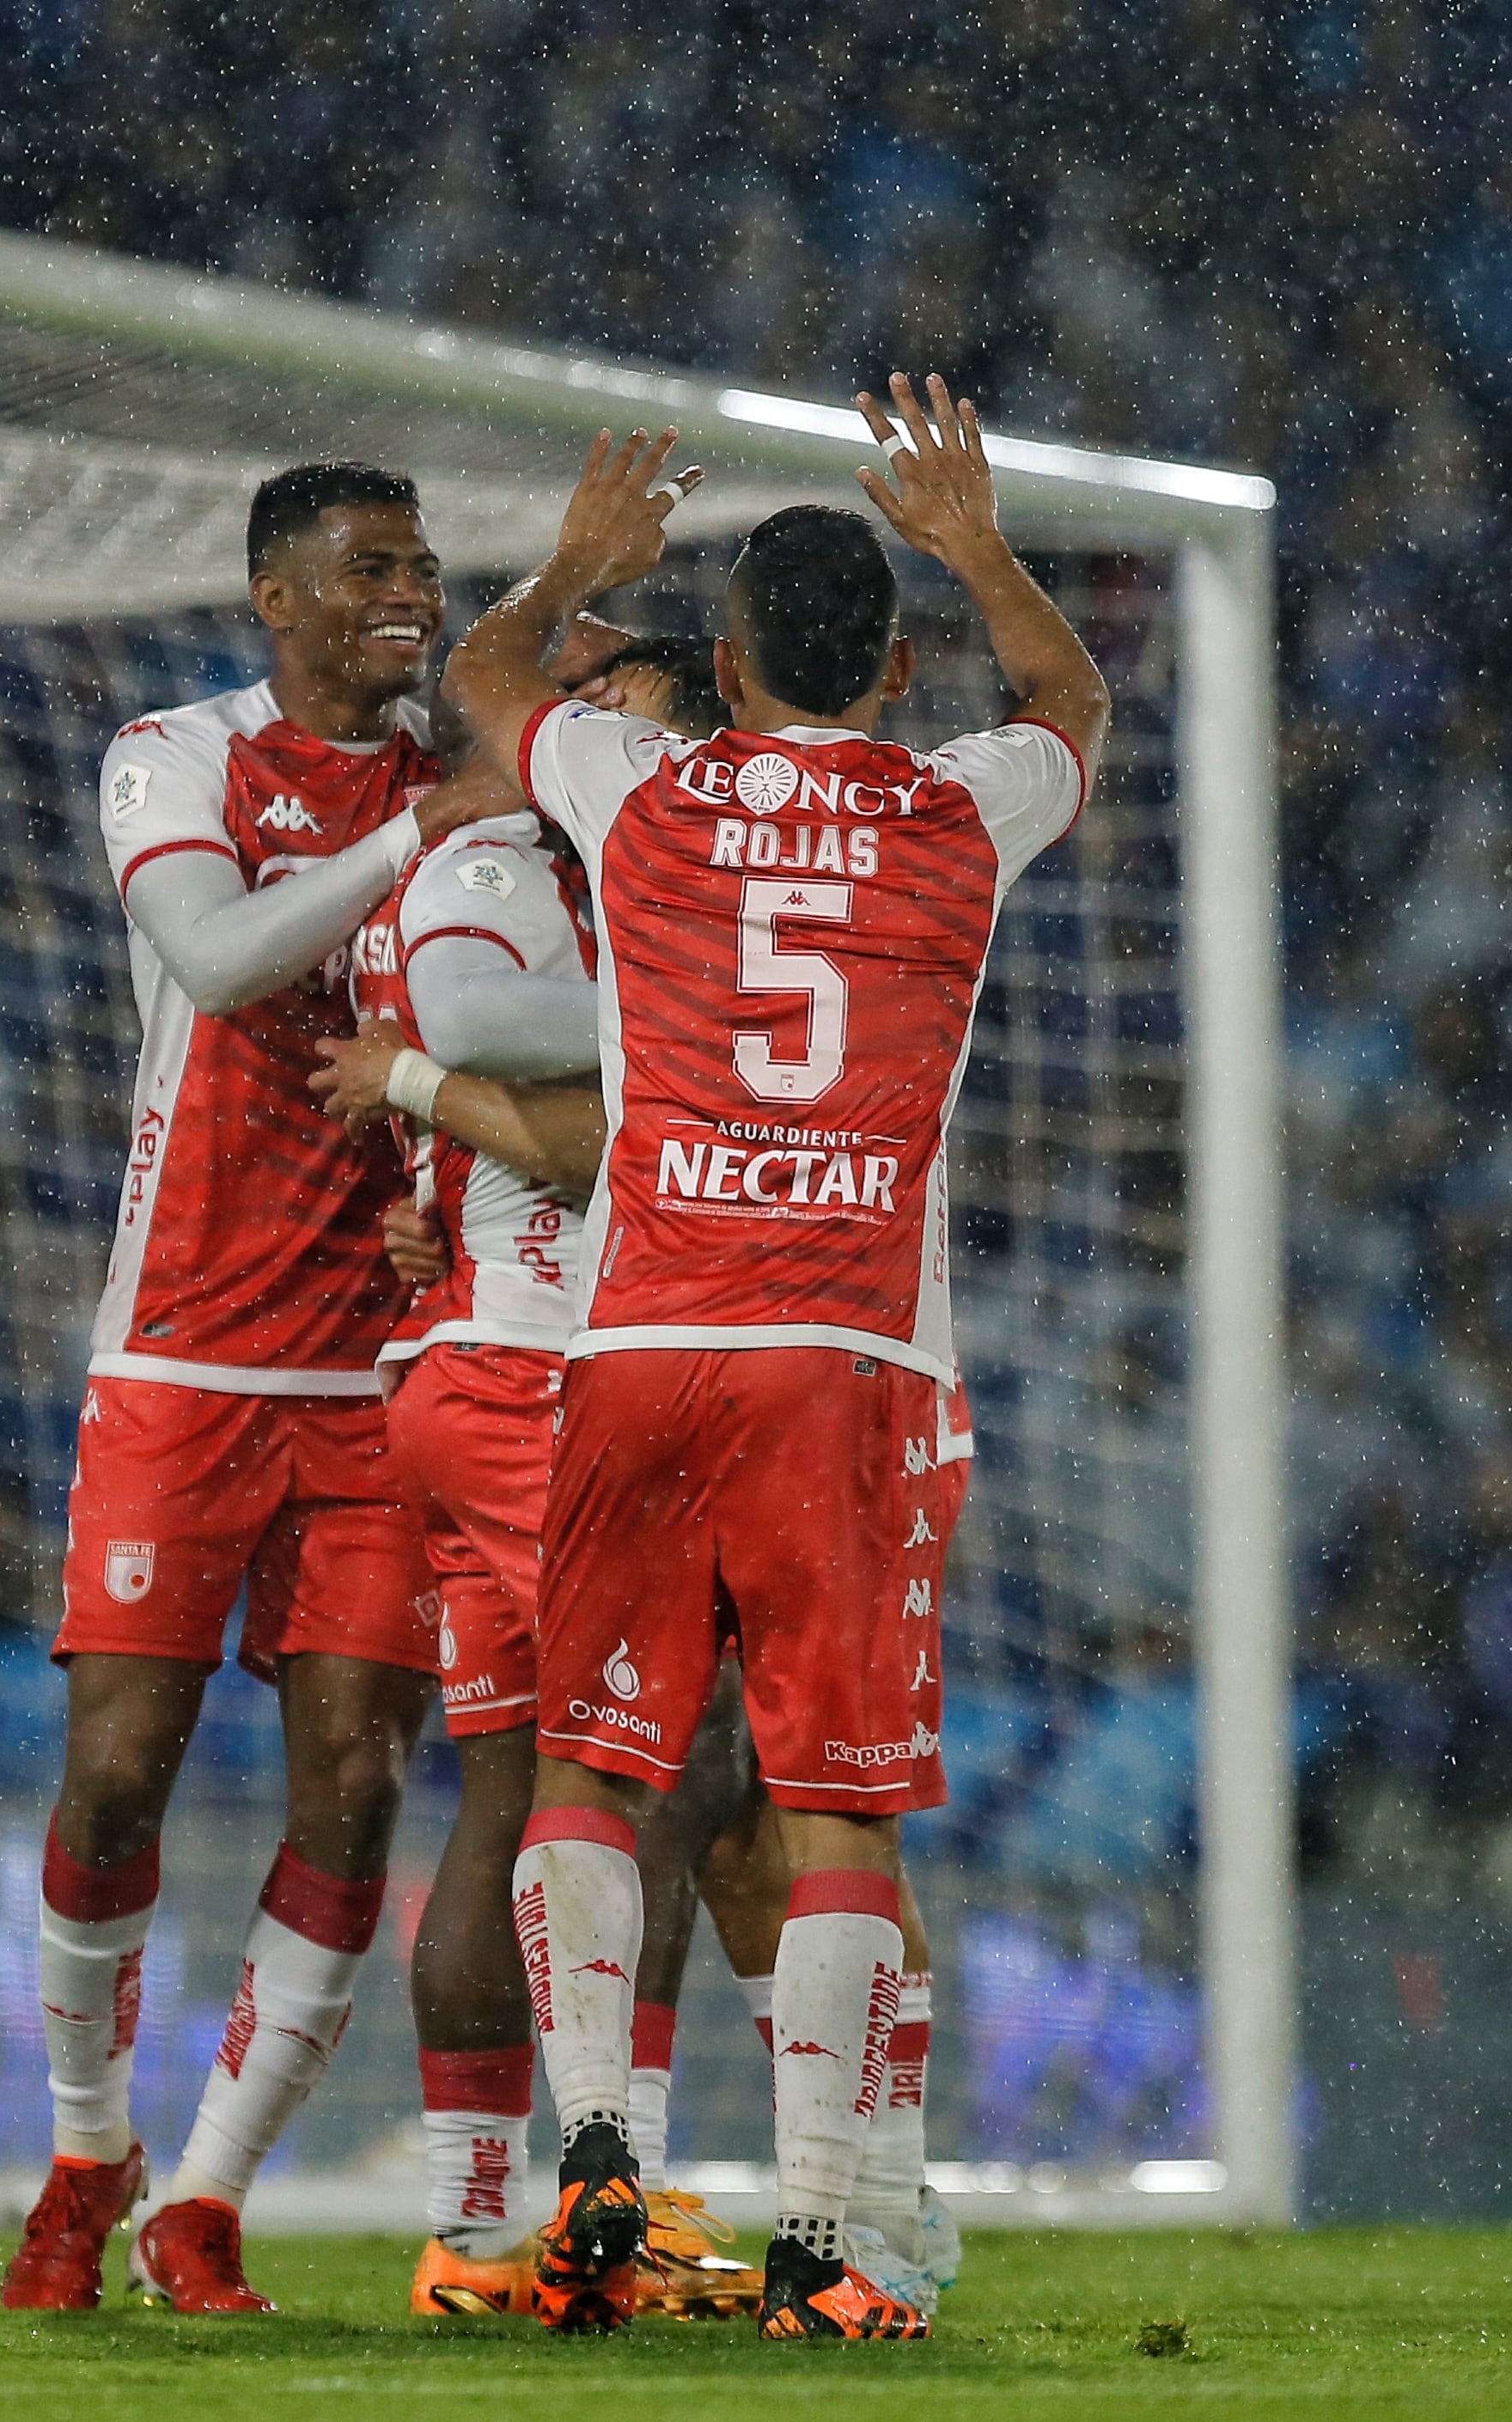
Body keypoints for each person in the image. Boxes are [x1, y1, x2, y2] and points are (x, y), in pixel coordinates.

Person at [438, 383, 1104, 2340]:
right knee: (835, 1797)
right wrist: (979, 541)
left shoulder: (640, 792)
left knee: (594, 1752)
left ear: (719, 666)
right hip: (841, 1345)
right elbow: (1075, 710)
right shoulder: (957, 800)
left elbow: (487, 671)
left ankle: (597, 2159)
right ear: (899, 666)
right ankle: (828, 2237)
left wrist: (577, 563)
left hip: (641, 1334)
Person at [0, 463, 532, 2315]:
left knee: (355, 1790)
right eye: (368, 569)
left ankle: (204, 2199)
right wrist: (407, 842)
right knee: (118, 1771)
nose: (408, 595)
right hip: (182, 1350)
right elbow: (218, 958)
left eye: (423, 568)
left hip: (387, 1365)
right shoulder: (175, 752)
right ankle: (84, 2147)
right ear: (272, 592)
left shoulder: (477, 787)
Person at [316, 629, 753, 2322]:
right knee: (659, 1757)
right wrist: (648, 1049)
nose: (598, 735)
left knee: (514, 1796)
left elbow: (545, 1109)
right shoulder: (489, 872)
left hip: (483, 1365)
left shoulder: (616, 881)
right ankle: (606, 2187)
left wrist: (448, 1098)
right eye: (575, 708)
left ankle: (474, 2228)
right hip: (526, 1378)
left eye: (626, 705)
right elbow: (581, 1136)